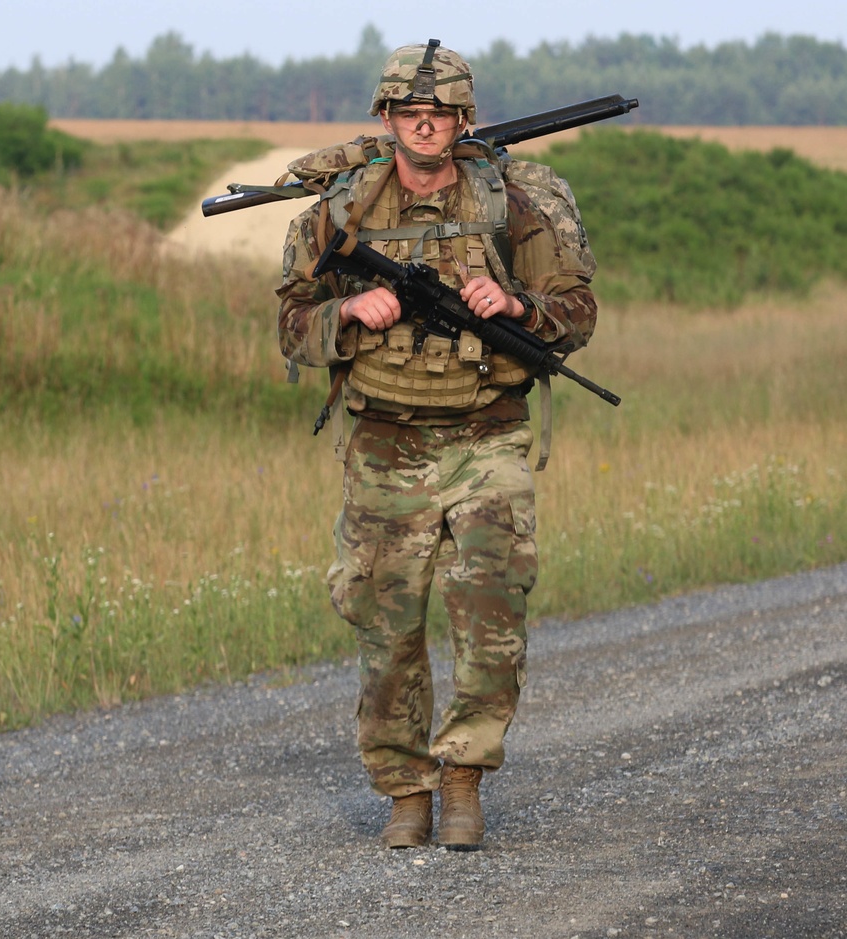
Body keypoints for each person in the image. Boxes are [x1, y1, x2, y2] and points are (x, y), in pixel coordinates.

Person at [276, 40, 598, 849]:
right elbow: (290, 325)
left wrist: (519, 307)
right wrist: (348, 314)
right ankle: (405, 791)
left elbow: (578, 311)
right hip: (384, 445)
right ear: (385, 118)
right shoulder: (337, 212)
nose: (425, 126)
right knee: (386, 631)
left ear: (464, 120)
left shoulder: (516, 202)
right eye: (409, 113)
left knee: (492, 617)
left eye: (441, 114)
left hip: (487, 433)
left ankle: (462, 779)